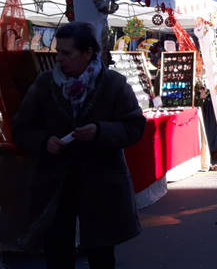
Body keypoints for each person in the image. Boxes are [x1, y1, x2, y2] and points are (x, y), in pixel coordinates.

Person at [11, 22, 146, 269]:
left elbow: (134, 126)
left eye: (66, 53)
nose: (59, 59)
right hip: (54, 181)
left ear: (87, 53)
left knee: (101, 252)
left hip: (102, 180)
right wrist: (44, 141)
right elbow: (20, 128)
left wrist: (100, 131)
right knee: (57, 251)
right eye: (57, 52)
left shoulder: (114, 84)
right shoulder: (44, 84)